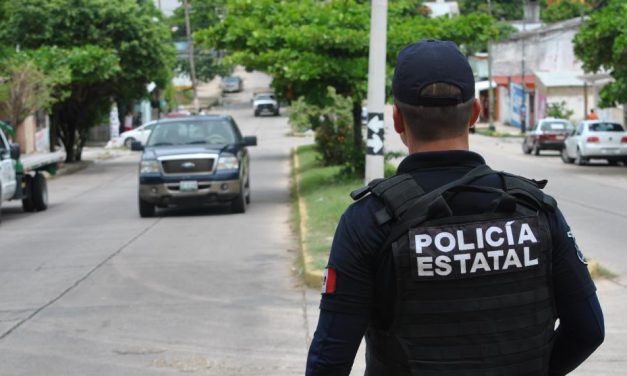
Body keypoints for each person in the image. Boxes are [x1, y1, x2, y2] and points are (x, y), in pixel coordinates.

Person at [306, 40, 604, 376]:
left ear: (397, 119)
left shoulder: (369, 221)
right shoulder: (536, 211)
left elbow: (330, 360)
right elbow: (589, 329)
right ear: (476, 112)